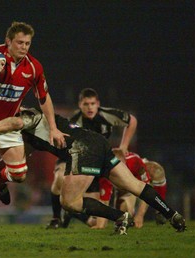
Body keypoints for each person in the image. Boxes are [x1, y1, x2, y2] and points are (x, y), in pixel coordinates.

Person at [0, 107, 186, 234]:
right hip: (97, 143)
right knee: (134, 185)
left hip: (81, 148)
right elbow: (17, 162)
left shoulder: (28, 114)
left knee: (69, 201)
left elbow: (16, 122)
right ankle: (173, 214)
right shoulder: (30, 136)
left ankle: (120, 216)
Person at [0, 21, 66, 226]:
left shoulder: (34, 67)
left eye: (27, 43)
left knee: (19, 175)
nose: (24, 47)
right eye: (19, 42)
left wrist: (53, 127)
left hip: (7, 125)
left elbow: (44, 98)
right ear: (8, 41)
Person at [47, 87, 138, 229]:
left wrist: (124, 146)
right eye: (86, 104)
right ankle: (56, 219)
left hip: (97, 161)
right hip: (75, 158)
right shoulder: (74, 121)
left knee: (94, 219)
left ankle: (76, 216)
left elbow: (132, 121)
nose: (90, 107)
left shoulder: (106, 115)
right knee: (59, 178)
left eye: (92, 103)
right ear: (80, 105)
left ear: (98, 104)